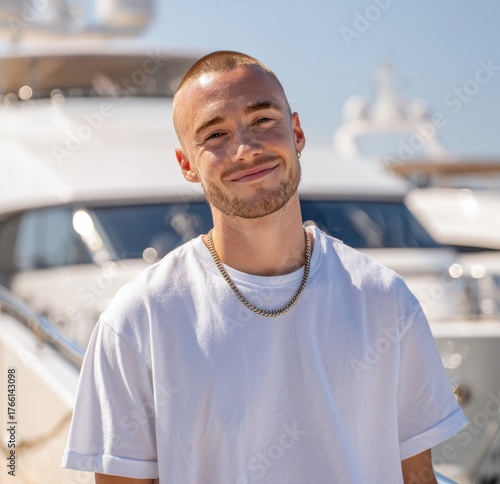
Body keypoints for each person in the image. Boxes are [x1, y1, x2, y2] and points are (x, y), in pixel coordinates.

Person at [62, 51, 467, 483]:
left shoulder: (384, 298)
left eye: (263, 121)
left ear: (296, 132)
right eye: (215, 134)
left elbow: (416, 475)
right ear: (187, 165)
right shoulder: (138, 319)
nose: (246, 149)